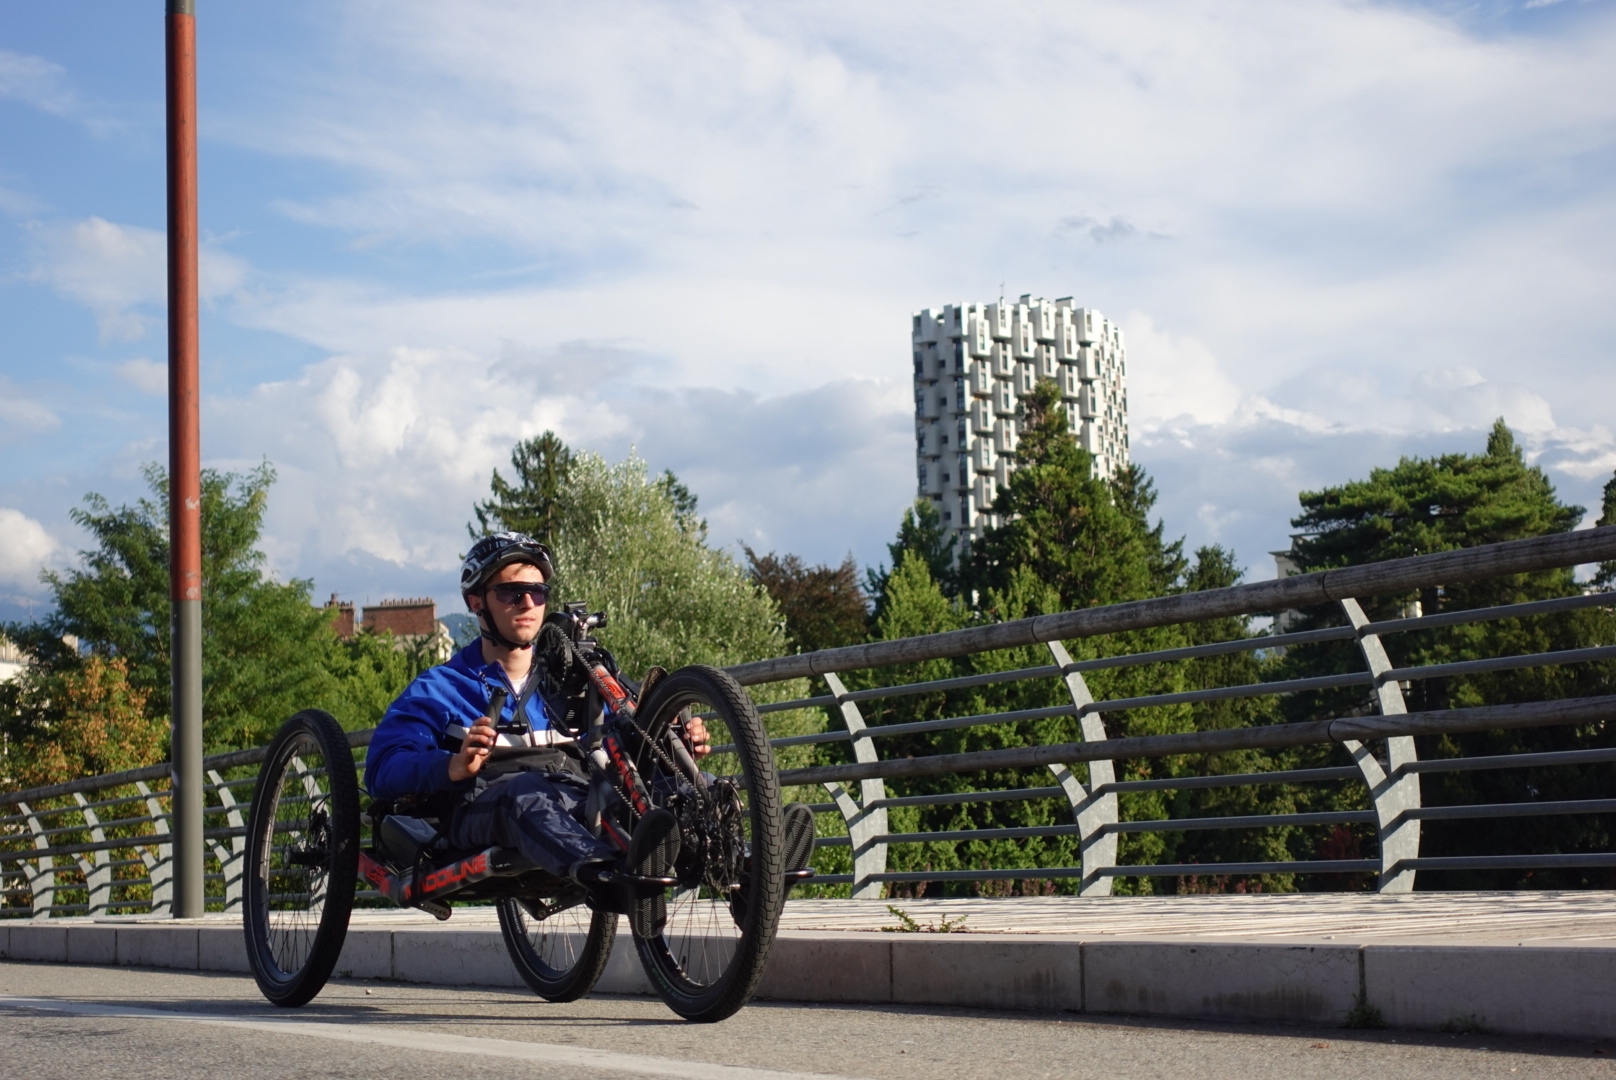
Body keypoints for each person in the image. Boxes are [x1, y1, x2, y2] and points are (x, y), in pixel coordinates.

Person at [364, 531, 815, 901]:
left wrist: (677, 735)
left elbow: (634, 726)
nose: (527, 604)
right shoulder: (440, 687)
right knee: (525, 795)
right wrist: (452, 765)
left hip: (576, 792)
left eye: (537, 591)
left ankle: (752, 865)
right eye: (510, 592)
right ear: (476, 602)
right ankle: (609, 877)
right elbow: (382, 769)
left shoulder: (573, 678)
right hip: (483, 804)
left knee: (676, 788)